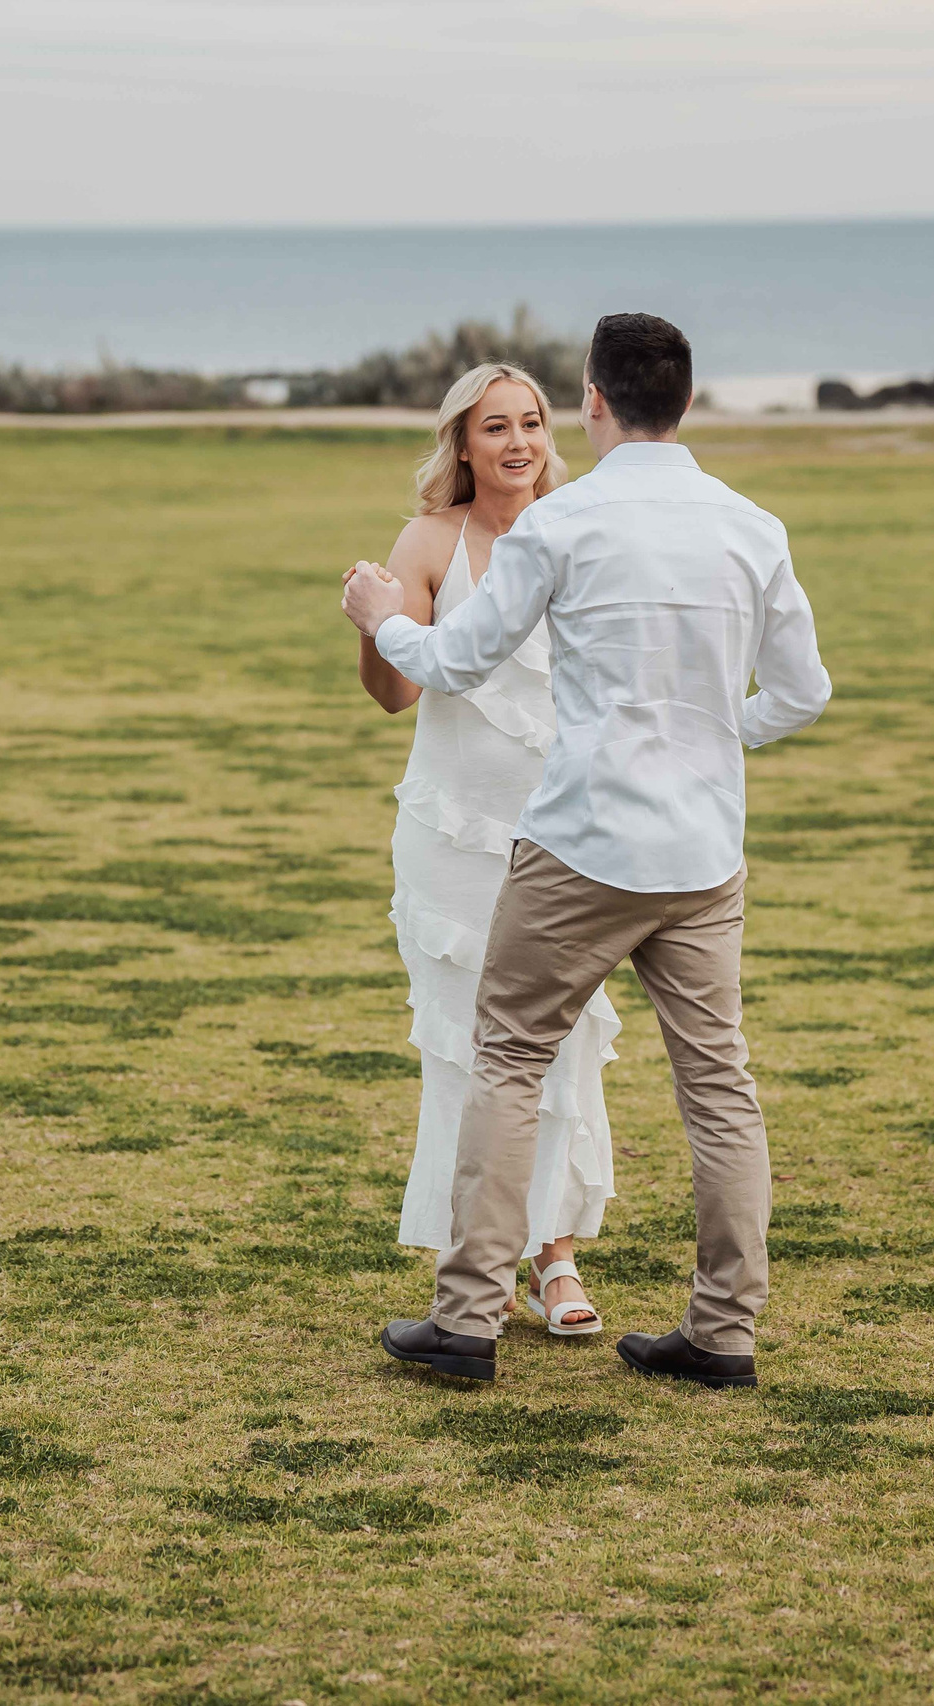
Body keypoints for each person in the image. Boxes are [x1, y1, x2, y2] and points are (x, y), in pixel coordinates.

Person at [341, 312, 831, 1388]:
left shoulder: (559, 525)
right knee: (719, 1086)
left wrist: (380, 615)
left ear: (593, 402)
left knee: (508, 1058)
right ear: (685, 401)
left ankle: (467, 1321)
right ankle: (723, 1334)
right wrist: (717, 738)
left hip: (580, 848)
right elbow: (803, 693)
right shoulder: (753, 526)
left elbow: (455, 661)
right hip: (702, 855)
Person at [344, 362, 618, 1337]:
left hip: (561, 831)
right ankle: (478, 1263)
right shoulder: (429, 540)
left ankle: (557, 1258)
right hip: (451, 834)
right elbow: (394, 694)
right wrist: (374, 623)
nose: (518, 441)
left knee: (561, 1041)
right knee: (465, 1045)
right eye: (495, 425)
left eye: (532, 422)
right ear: (462, 442)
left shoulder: (578, 529)